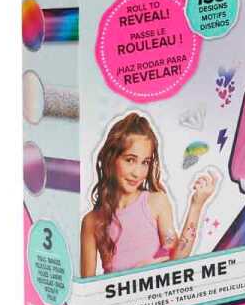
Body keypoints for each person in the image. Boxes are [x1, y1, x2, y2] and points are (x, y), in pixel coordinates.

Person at [80, 112, 216, 276]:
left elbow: (178, 256)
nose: (137, 173)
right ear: (111, 158)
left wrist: (196, 205)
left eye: (145, 162)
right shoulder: (91, 222)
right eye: (130, 160)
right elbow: (88, 286)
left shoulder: (156, 202)